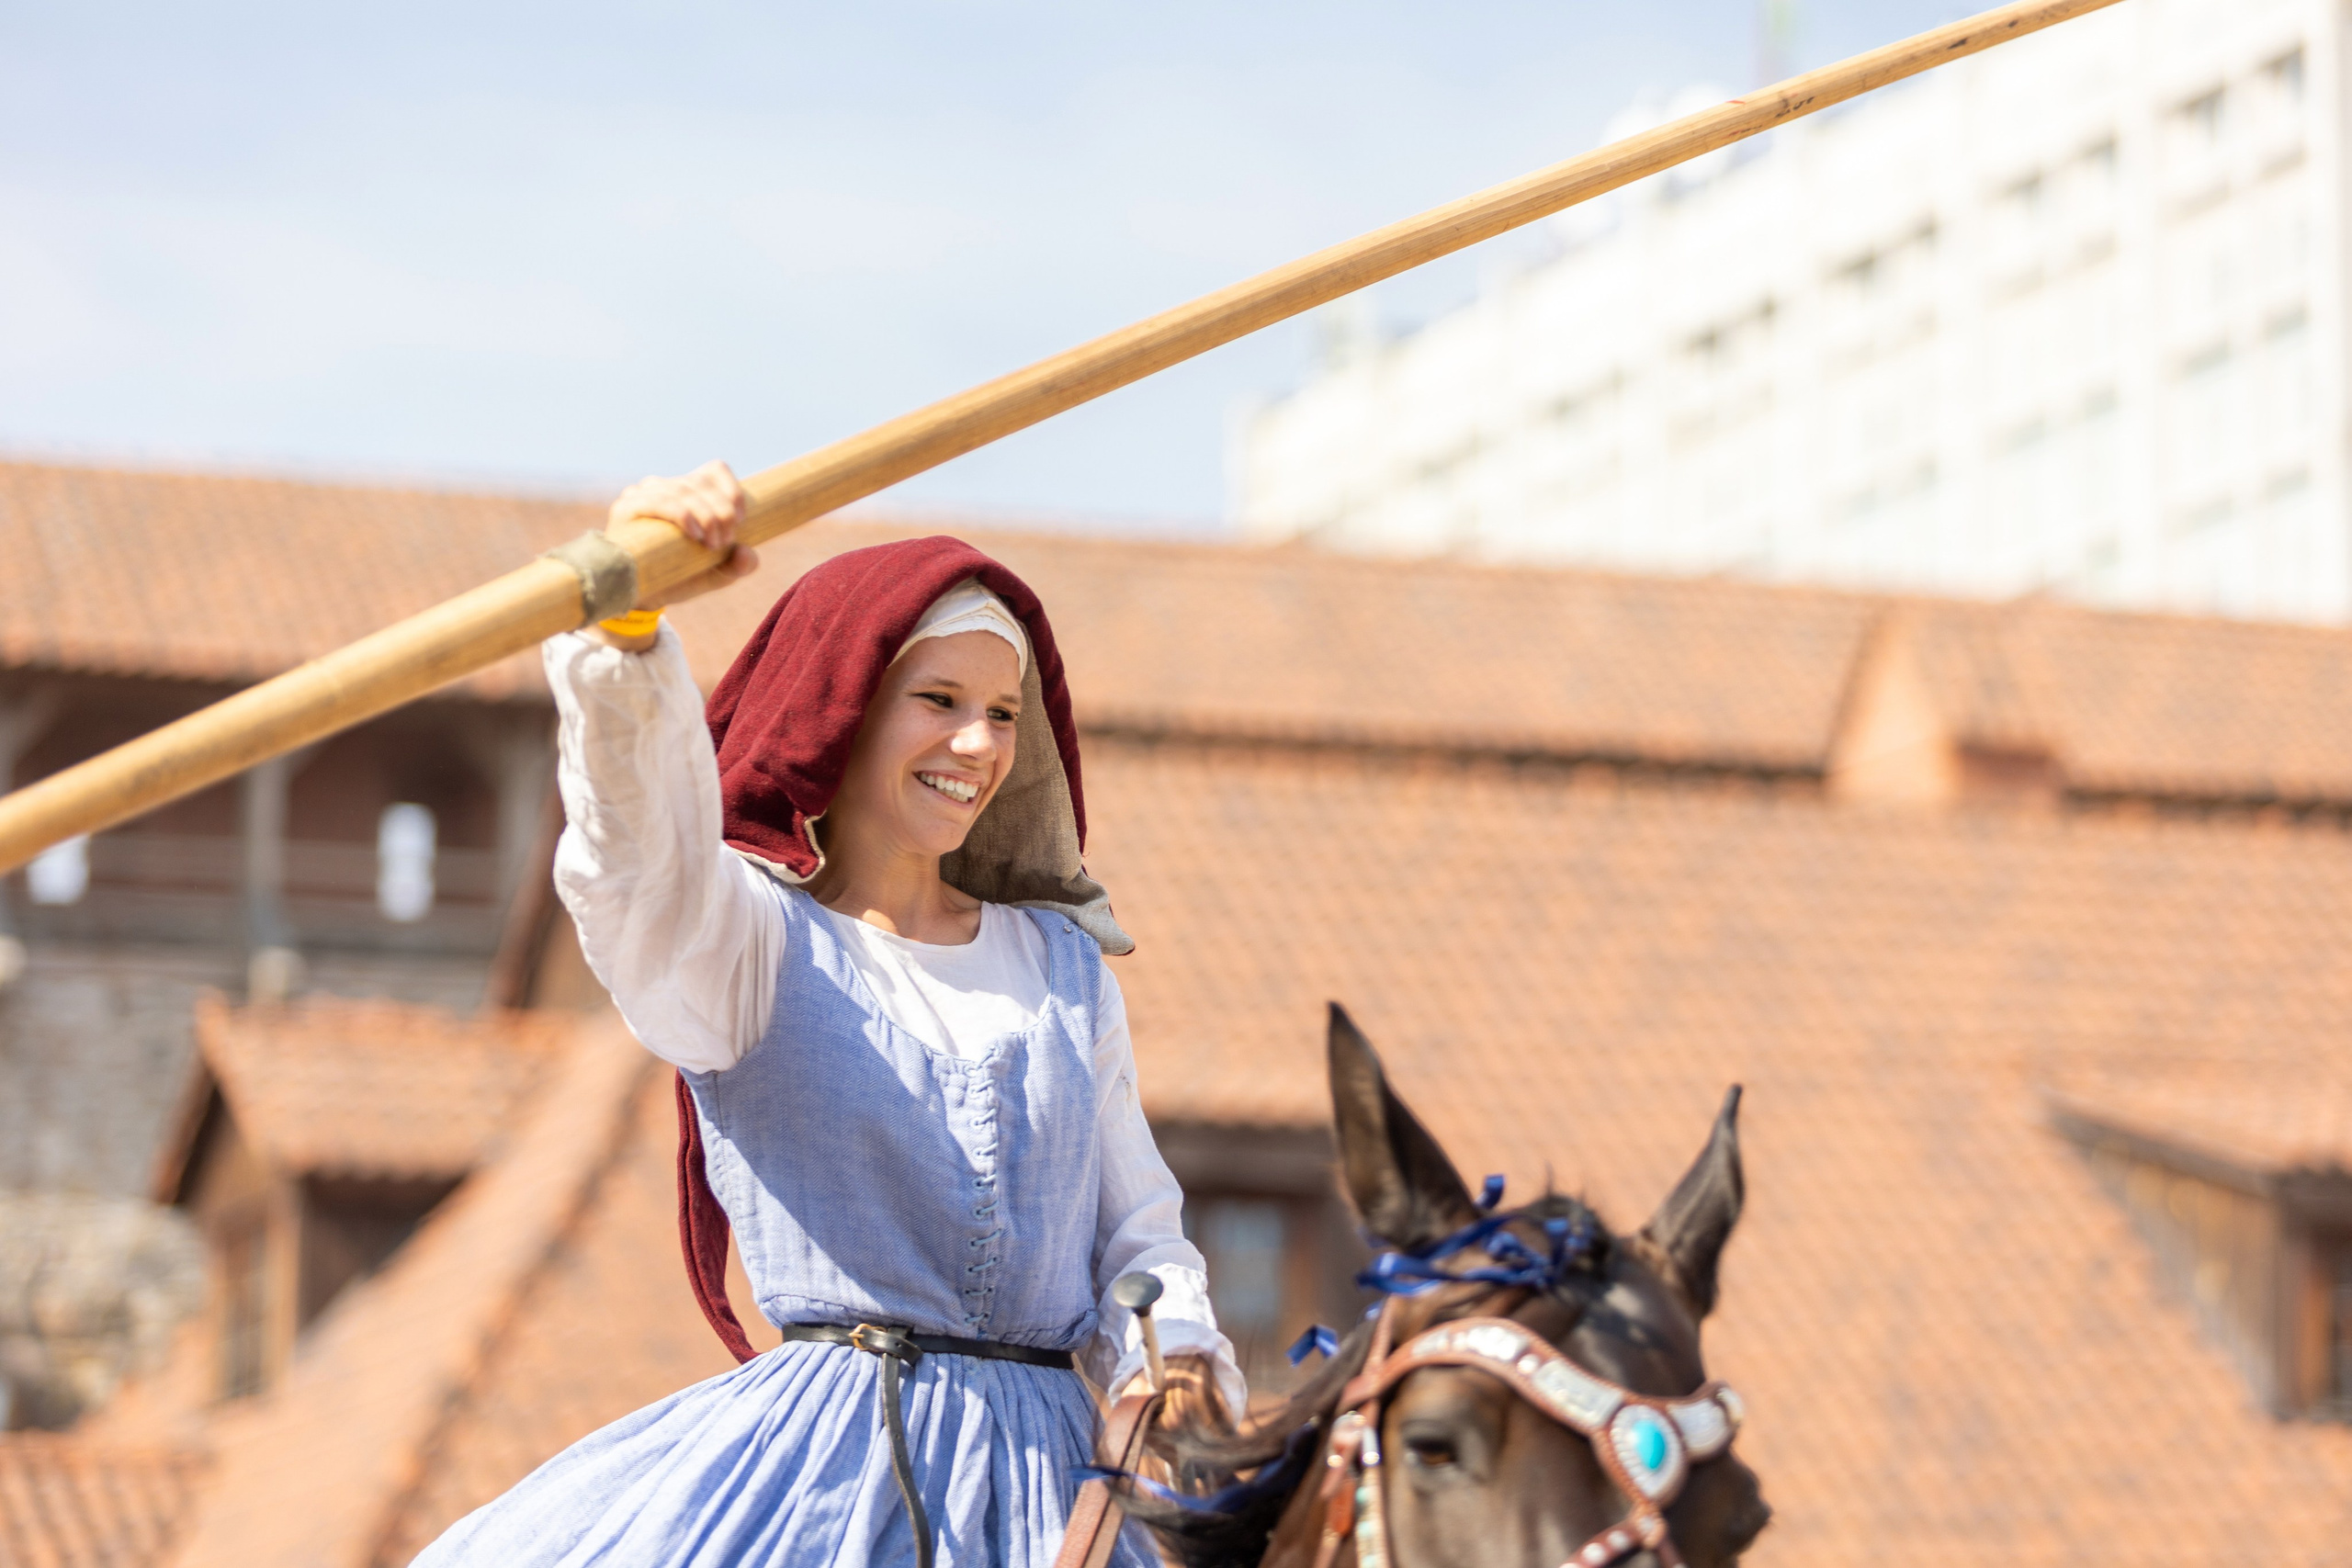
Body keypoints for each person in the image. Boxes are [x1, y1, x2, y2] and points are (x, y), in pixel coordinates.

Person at [415, 461, 1243, 1567]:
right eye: (938, 702)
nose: (979, 745)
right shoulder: (746, 941)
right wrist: (626, 622)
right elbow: (638, 864)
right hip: (825, 1486)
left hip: (1058, 1493)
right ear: (845, 713)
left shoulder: (1064, 969)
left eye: (1003, 714)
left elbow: (1138, 1233)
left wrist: (1169, 1355)